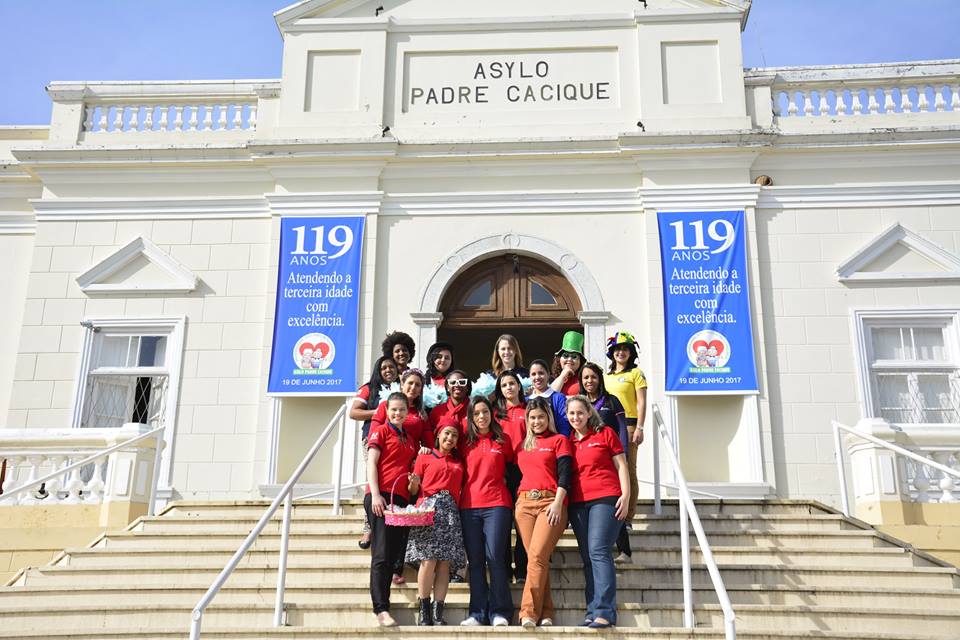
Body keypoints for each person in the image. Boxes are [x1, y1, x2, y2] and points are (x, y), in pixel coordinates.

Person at [566, 395, 630, 629]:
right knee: (587, 556)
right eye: (571, 414)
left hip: (606, 496)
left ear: (588, 413)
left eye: (580, 413)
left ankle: (605, 611)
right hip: (578, 504)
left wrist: (626, 495)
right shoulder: (568, 441)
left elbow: (622, 465)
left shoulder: (605, 434)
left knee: (598, 550)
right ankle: (592, 609)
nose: (576, 417)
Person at [369, 368, 433, 584]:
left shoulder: (422, 412)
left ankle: (397, 567)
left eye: (418, 385)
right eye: (410, 383)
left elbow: (426, 440)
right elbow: (376, 438)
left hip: (409, 468)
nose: (413, 388)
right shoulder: (387, 407)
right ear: (402, 383)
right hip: (386, 466)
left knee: (404, 524)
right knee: (383, 542)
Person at [514, 397, 572, 628]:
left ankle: (527, 612)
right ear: (527, 420)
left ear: (548, 417)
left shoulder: (559, 441)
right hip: (524, 505)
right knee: (536, 560)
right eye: (532, 417)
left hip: (551, 503)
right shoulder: (522, 445)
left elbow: (566, 474)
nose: (536, 421)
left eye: (540, 416)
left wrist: (558, 503)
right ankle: (547, 611)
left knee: (537, 557)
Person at [458, 396, 515, 627]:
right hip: (469, 507)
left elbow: (513, 470)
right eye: (476, 413)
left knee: (495, 558)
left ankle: (500, 611)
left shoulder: (503, 440)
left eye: (485, 412)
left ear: (492, 414)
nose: (481, 417)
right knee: (476, 560)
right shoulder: (464, 443)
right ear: (471, 418)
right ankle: (478, 613)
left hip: (498, 505)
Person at [365, 392, 419, 627]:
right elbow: (372, 463)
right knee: (382, 554)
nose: (398, 413)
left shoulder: (409, 437)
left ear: (408, 412)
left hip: (401, 499)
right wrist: (376, 494)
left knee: (394, 554)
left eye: (402, 410)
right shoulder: (380, 431)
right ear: (387, 411)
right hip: (382, 497)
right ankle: (381, 609)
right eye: (393, 409)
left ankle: (384, 604)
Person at [406, 424, 467, 626]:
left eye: (455, 435)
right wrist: (414, 481)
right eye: (447, 434)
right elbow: (413, 489)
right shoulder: (424, 456)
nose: (450, 438)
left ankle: (438, 611)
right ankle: (424, 611)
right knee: (428, 561)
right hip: (429, 510)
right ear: (438, 435)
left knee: (444, 564)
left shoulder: (459, 461)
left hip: (450, 512)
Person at [579, 362, 632, 562]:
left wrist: (624, 453)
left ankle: (625, 550)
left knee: (615, 502)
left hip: (612, 456)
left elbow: (621, 428)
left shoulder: (611, 400)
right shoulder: (579, 403)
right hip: (591, 459)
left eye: (593, 377)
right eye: (585, 378)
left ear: (599, 379)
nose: (589, 381)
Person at [603, 332, 647, 555]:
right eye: (617, 349)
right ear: (612, 353)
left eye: (625, 349)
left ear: (631, 352)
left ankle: (628, 516)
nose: (621, 352)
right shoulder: (606, 376)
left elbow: (641, 402)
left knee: (628, 470)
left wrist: (639, 427)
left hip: (628, 426)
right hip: (606, 427)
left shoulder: (636, 373)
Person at [350, 356, 399, 549]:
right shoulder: (369, 388)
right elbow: (354, 412)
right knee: (374, 481)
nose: (388, 370)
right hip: (372, 438)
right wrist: (380, 411)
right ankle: (368, 526)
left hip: (397, 439)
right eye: (384, 367)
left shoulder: (401, 386)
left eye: (391, 367)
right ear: (378, 370)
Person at [492, 370, 528, 583]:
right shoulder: (496, 413)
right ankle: (505, 569)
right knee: (504, 520)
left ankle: (522, 568)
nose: (509, 388)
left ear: (519, 386)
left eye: (512, 383)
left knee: (523, 519)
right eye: (504, 385)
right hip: (502, 469)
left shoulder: (529, 409)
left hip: (525, 468)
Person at [527, 358, 571, 436]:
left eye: (541, 373)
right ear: (530, 377)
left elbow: (564, 426)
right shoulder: (526, 400)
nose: (537, 377)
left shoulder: (558, 398)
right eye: (533, 374)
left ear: (548, 374)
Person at [429, 370, 471, 436]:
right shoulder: (437, 411)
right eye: (453, 382)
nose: (457, 385)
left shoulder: (475, 409)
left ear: (467, 387)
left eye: (462, 382)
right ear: (447, 387)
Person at [551, 330, 585, 397]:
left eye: (574, 356)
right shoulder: (550, 379)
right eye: (566, 355)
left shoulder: (584, 379)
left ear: (580, 361)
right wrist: (563, 375)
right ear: (559, 359)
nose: (569, 359)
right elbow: (550, 398)